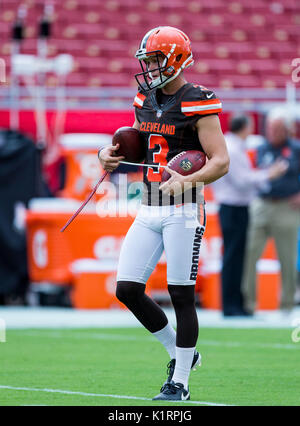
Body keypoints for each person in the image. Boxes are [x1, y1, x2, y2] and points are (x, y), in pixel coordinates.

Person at [99, 26, 229, 401]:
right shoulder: (144, 97)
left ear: (175, 58)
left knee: (181, 295)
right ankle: (180, 354)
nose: (150, 68)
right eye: (148, 61)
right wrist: (107, 156)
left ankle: (180, 383)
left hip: (185, 210)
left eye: (155, 60)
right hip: (149, 206)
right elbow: (146, 151)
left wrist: (189, 182)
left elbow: (221, 161)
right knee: (127, 289)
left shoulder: (197, 100)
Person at [212, 114, 287, 317]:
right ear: (246, 127)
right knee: (233, 256)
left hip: (233, 207)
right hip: (233, 207)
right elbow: (242, 181)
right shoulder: (234, 149)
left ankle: (234, 304)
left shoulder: (232, 146)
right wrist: (269, 174)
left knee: (236, 256)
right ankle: (231, 305)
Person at [242, 108, 300, 315]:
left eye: (277, 129)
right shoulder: (260, 148)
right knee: (250, 253)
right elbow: (253, 174)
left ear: (287, 130)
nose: (273, 132)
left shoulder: (296, 148)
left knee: (287, 257)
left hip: (287, 206)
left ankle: (286, 304)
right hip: (262, 204)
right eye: (271, 128)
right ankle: (249, 303)